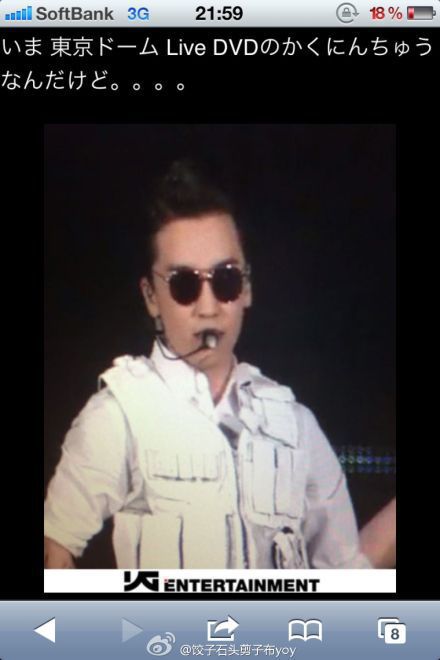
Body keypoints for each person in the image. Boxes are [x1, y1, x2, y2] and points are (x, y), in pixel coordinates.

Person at [44, 160, 375, 570]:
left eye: (226, 280)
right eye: (184, 284)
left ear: (247, 288)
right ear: (151, 297)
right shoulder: (121, 415)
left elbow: (346, 574)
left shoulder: (295, 425)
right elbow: (53, 551)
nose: (208, 307)